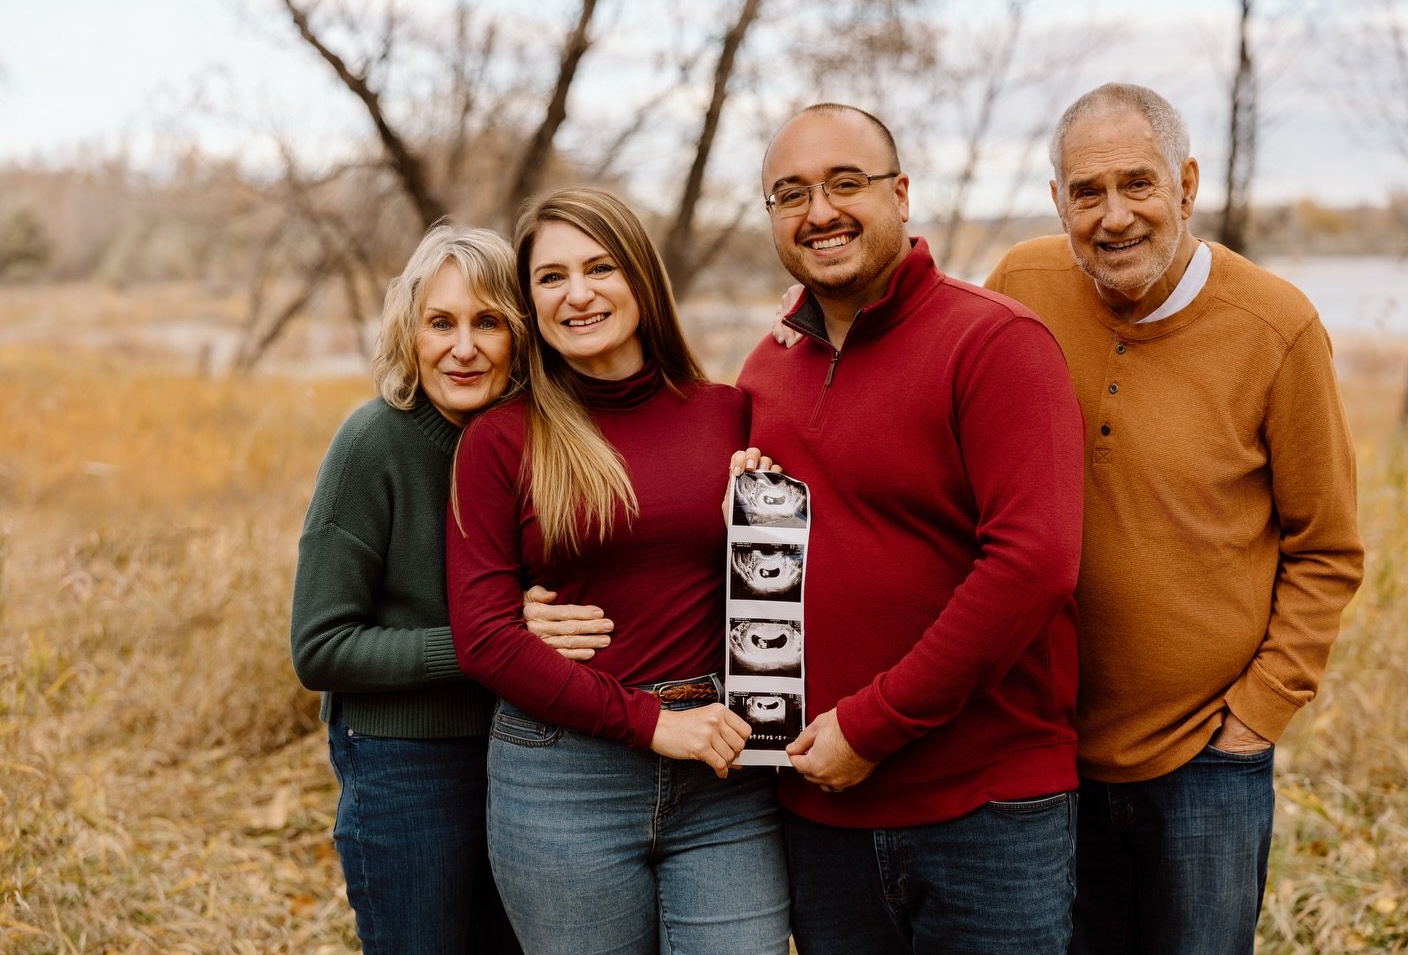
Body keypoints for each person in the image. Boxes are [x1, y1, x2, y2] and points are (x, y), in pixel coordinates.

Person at [983, 82, 1366, 954]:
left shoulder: (1276, 328)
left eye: (1138, 184)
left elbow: (1327, 548)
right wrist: (815, 325)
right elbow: (928, 370)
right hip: (1043, 747)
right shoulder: (1020, 284)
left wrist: (1255, 720)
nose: (1113, 217)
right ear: (1058, 203)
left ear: (1186, 185)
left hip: (1207, 763)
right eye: (1086, 193)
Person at [739, 103, 1086, 954]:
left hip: (987, 812)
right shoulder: (766, 368)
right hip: (819, 813)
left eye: (845, 184)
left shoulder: (994, 343)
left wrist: (873, 727)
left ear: (901, 194)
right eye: (791, 194)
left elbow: (1033, 565)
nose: (819, 212)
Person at [445, 187, 791, 955]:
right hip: (565, 781)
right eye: (551, 277)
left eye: (600, 267)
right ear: (530, 303)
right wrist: (653, 724)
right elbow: (485, 639)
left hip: (724, 774)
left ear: (640, 276)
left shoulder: (731, 412)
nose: (578, 294)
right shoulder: (502, 440)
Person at [290, 225, 610, 954]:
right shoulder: (374, 443)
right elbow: (320, 647)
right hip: (406, 766)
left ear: (521, 336)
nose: (462, 348)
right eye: (441, 322)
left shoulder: (543, 439)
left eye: (488, 322)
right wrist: (489, 645)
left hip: (527, 759)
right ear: (411, 331)